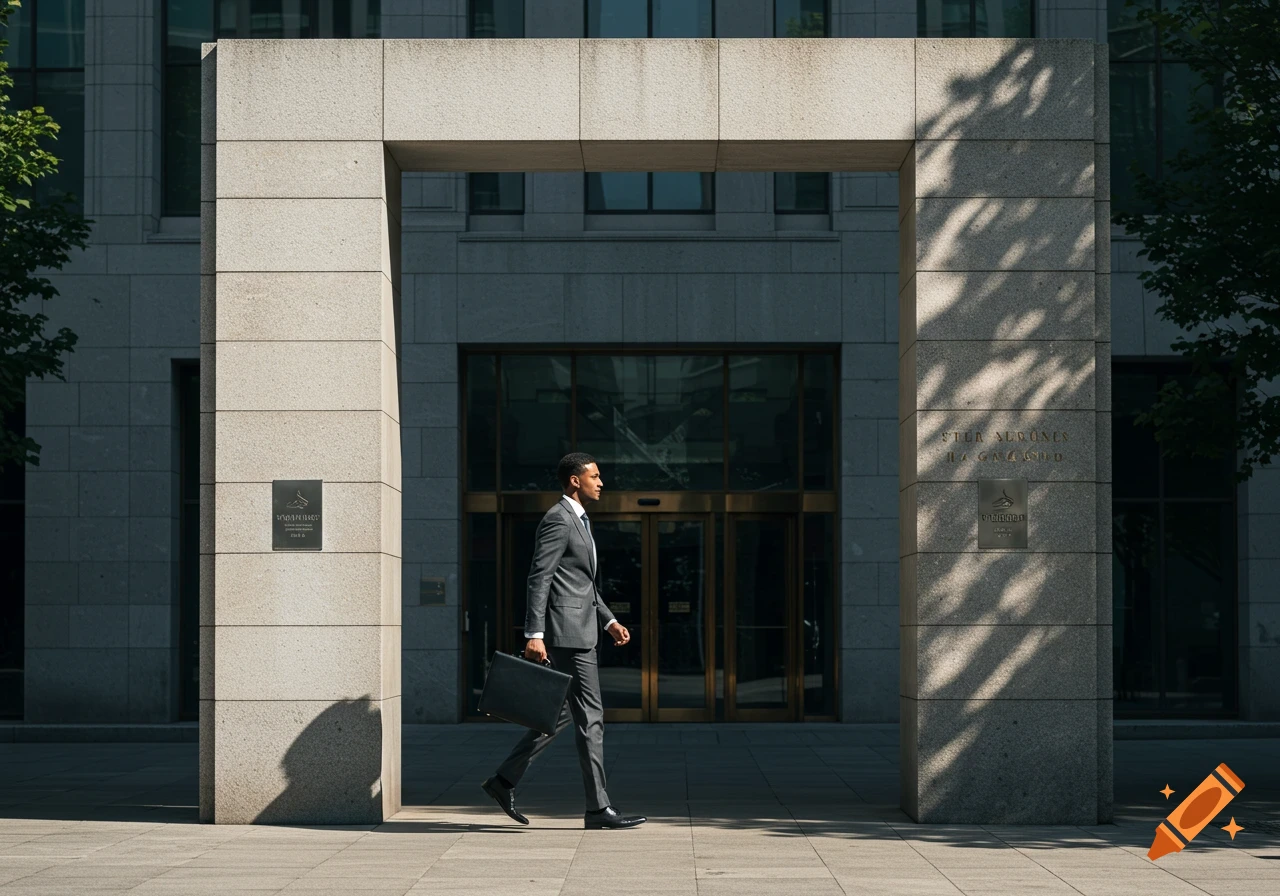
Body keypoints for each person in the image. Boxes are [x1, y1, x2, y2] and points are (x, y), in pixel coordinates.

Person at [481, 452, 646, 830]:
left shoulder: (581, 521)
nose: (601, 483)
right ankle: (598, 808)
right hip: (569, 634)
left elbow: (582, 584)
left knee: (560, 714)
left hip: (581, 628)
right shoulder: (559, 519)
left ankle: (503, 780)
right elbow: (539, 577)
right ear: (575, 480)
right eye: (595, 476)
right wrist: (534, 634)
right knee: (592, 718)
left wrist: (609, 621)